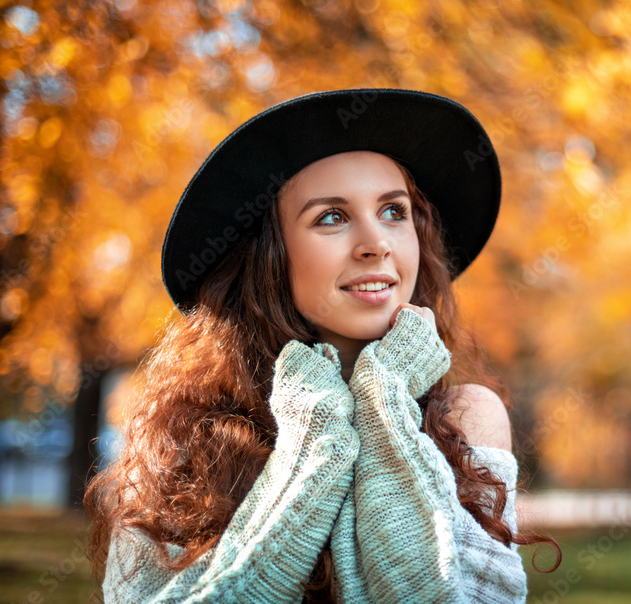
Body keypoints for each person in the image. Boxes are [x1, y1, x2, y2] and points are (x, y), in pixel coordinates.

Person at [84, 88, 562, 602]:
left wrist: (384, 397)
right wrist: (318, 440)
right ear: (268, 255)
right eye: (331, 216)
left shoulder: (468, 418)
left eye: (394, 212)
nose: (376, 242)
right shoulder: (181, 443)